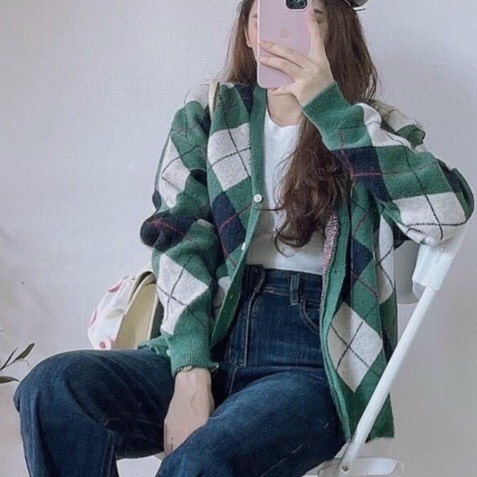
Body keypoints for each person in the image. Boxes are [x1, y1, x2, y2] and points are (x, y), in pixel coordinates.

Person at [13, 0, 474, 476]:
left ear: (336, 29)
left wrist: (330, 109)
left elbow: (446, 216)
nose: (290, 29)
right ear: (250, 33)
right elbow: (179, 240)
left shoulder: (372, 125)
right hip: (208, 334)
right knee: (55, 388)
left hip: (312, 362)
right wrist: (190, 371)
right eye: (266, 15)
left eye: (312, 14)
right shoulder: (210, 114)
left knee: (202, 462)